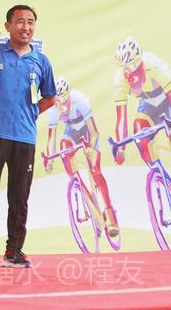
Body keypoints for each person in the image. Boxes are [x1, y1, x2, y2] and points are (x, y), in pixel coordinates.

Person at [0, 4, 56, 269]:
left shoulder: (41, 61)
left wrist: (30, 114)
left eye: (30, 22)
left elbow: (49, 97)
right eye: (19, 21)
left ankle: (13, 251)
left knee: (19, 197)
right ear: (7, 26)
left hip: (24, 138)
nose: (25, 27)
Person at [43, 76, 120, 237]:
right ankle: (84, 193)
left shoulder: (80, 101)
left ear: (68, 95)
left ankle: (109, 212)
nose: (60, 105)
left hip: (88, 132)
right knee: (64, 149)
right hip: (71, 131)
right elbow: (52, 138)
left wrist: (91, 148)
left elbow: (94, 132)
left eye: (63, 99)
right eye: (57, 101)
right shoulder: (53, 109)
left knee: (95, 171)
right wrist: (49, 159)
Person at [112, 37, 171, 166]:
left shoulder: (154, 65)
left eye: (130, 66)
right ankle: (157, 171)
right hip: (147, 105)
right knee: (139, 131)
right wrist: (121, 147)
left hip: (167, 100)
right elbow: (121, 117)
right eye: (123, 68)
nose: (127, 72)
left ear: (140, 62)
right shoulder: (120, 78)